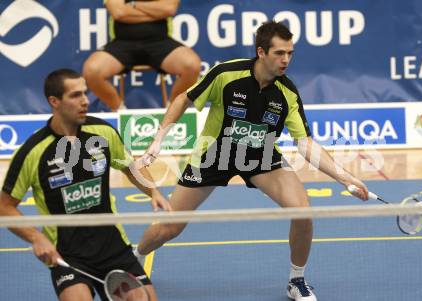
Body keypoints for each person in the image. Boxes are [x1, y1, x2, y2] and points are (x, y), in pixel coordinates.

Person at [135, 21, 370, 301]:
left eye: (290, 53)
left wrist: (346, 178)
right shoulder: (226, 74)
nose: (286, 60)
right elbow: (184, 99)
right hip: (214, 155)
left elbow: (305, 143)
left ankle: (297, 281)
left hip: (260, 157)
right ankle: (135, 256)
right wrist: (159, 138)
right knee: (170, 227)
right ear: (261, 52)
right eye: (279, 53)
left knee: (302, 210)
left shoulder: (287, 93)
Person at [0, 69, 172, 301]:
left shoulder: (102, 132)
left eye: (85, 93)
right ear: (54, 101)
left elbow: (129, 166)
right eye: (75, 95)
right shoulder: (33, 152)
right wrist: (36, 237)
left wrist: (153, 190)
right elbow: (5, 206)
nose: (85, 101)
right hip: (68, 254)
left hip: (112, 246)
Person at [83, 0, 201, 111]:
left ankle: (174, 110)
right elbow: (118, 13)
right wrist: (155, 11)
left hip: (160, 41)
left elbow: (169, 9)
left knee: (191, 65)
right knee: (92, 70)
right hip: (122, 43)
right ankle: (119, 111)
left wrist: (132, 4)